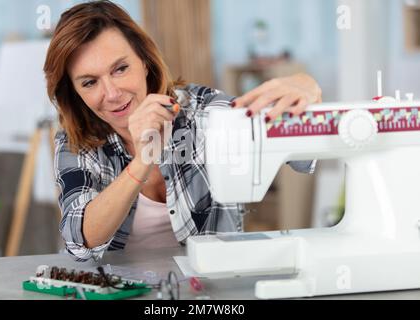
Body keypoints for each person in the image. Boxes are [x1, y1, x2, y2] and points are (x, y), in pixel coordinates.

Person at [44, 0, 322, 262]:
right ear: (75, 92)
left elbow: (302, 151)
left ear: (144, 60)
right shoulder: (75, 142)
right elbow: (80, 240)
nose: (112, 93)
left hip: (209, 293)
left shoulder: (203, 112)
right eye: (90, 82)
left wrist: (307, 88)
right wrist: (143, 160)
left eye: (120, 69)